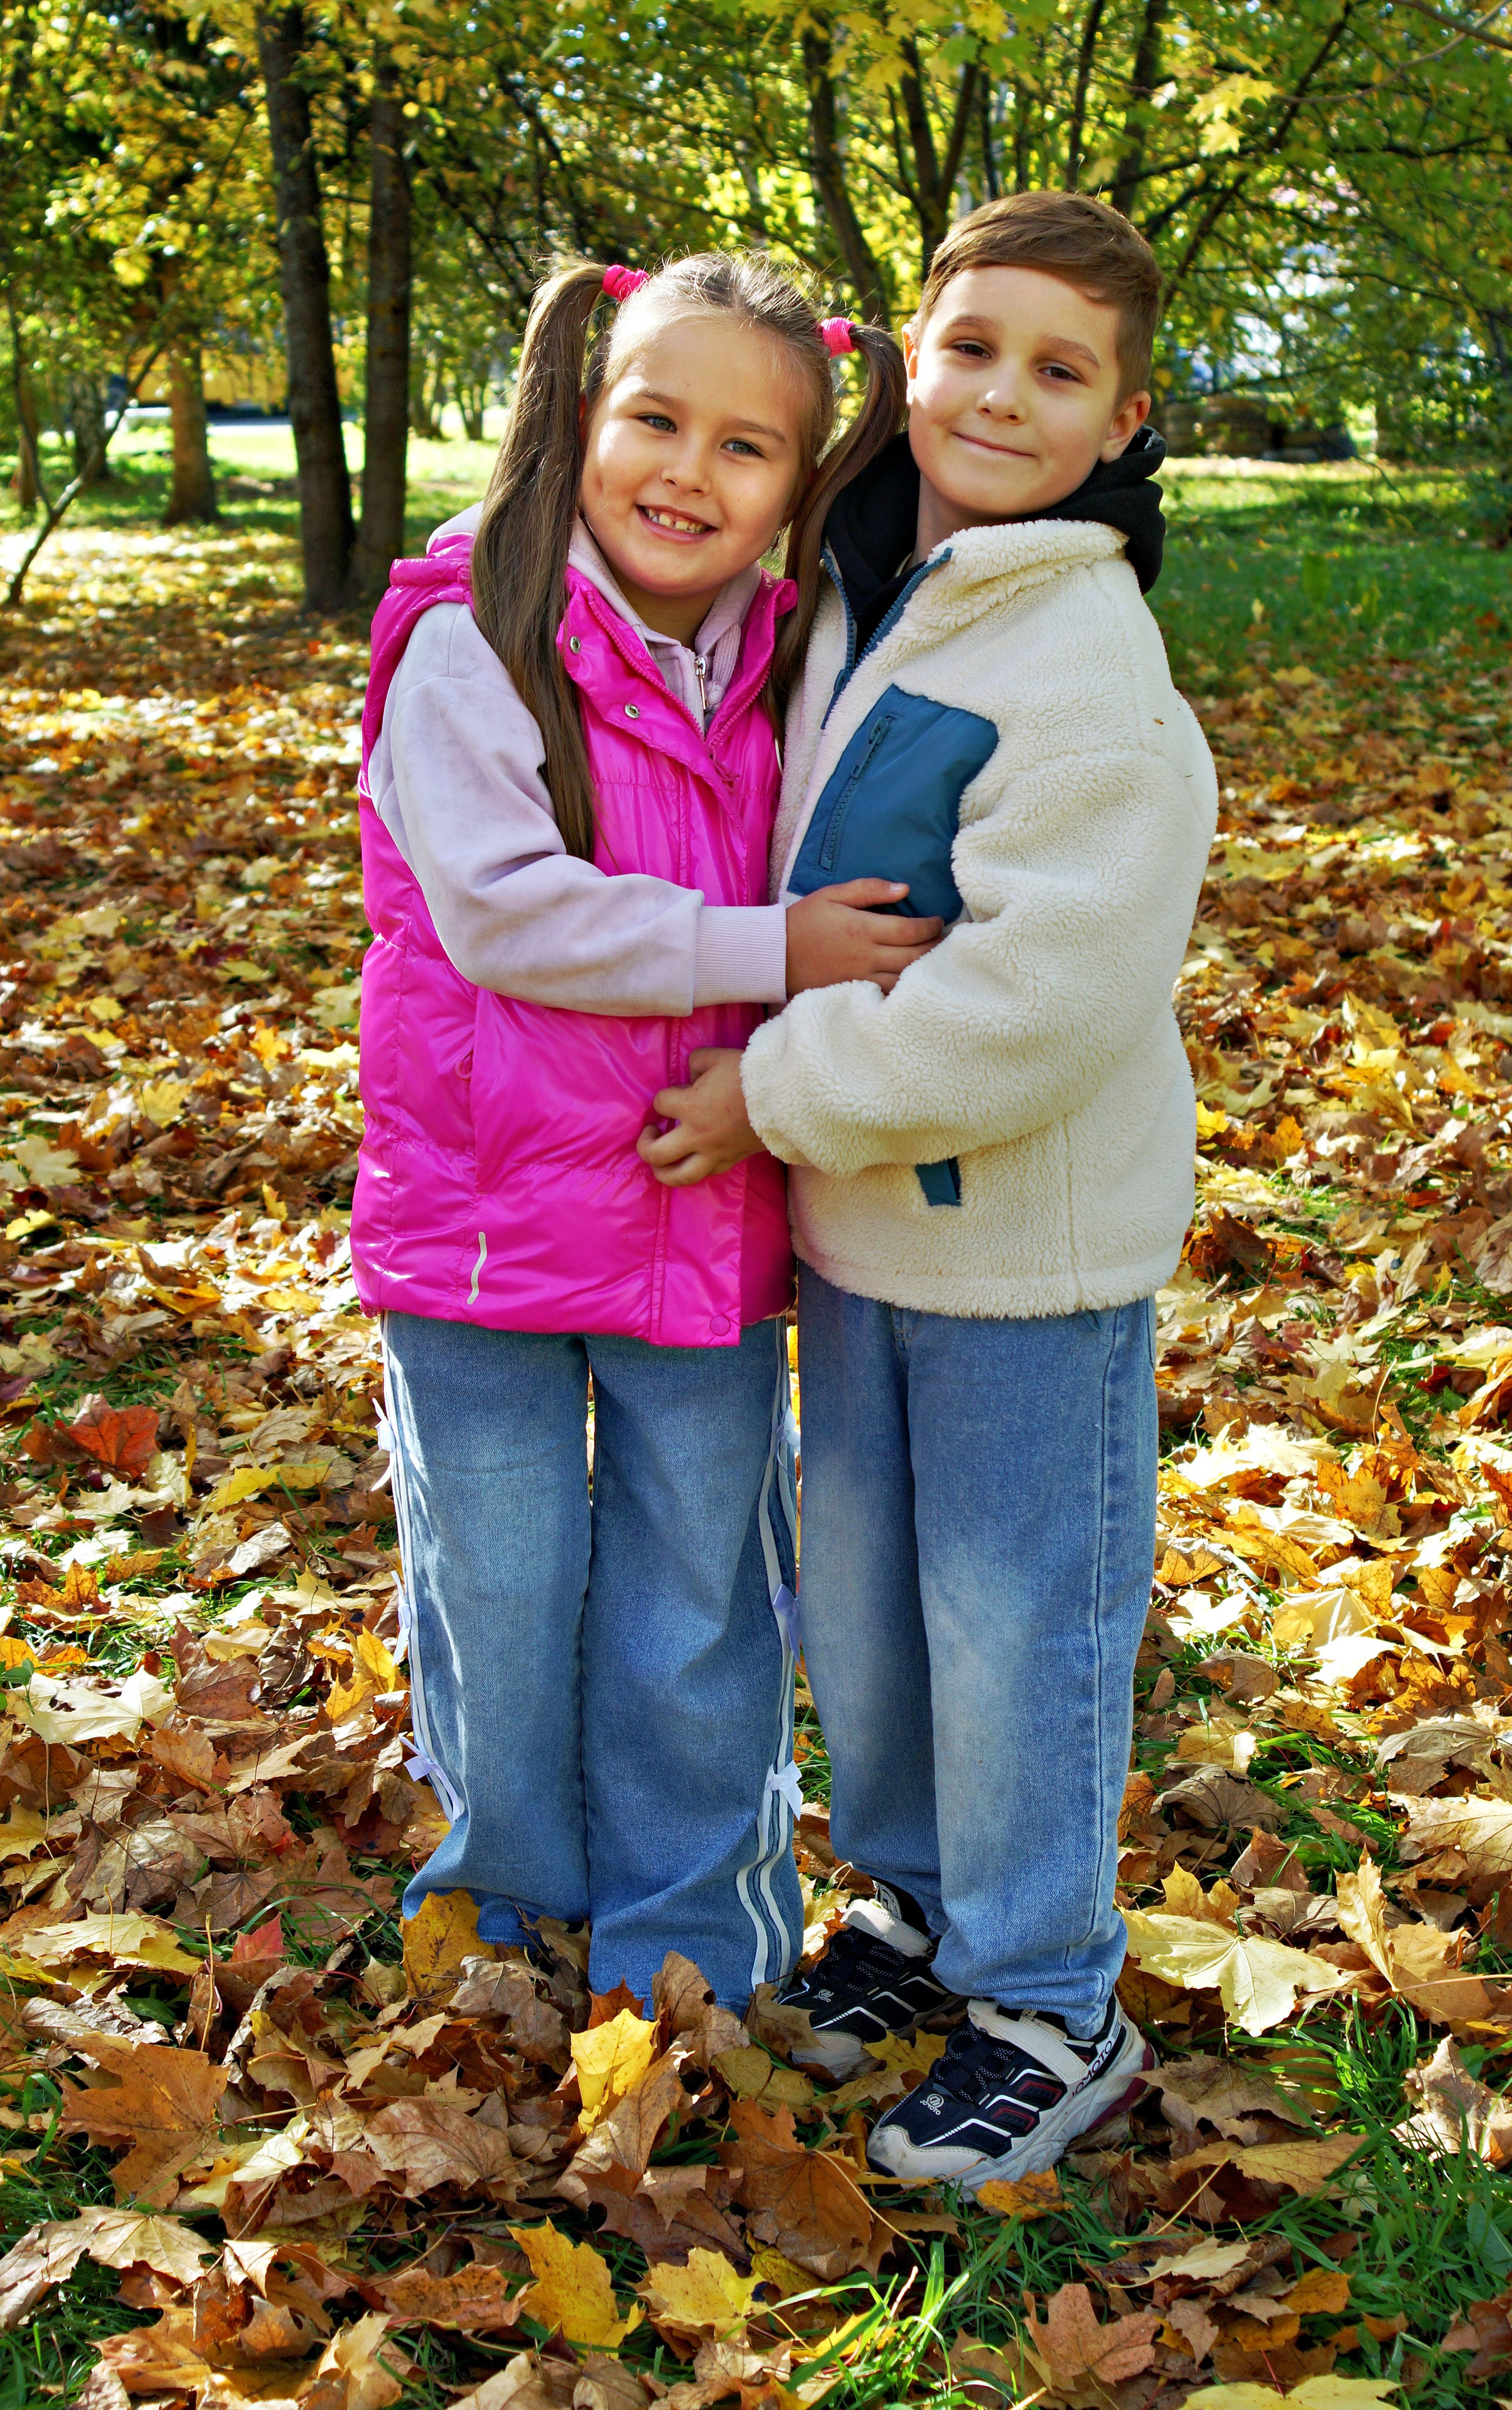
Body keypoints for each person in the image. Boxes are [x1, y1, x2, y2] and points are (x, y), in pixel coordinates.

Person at [640, 195, 1218, 2180]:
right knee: (873, 1613)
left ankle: (1055, 1997)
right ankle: (920, 1907)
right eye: (976, 348)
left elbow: (1037, 1003)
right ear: (910, 347)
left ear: (1125, 421)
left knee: (1011, 1618)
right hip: (867, 1226)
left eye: (1062, 373)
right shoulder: (865, 586)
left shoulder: (1089, 668)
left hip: (1025, 1250)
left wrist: (769, 1089)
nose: (1003, 395)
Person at [353, 251, 930, 2011]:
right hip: (484, 1227)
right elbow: (508, 913)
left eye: (750, 448)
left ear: (802, 485)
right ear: (580, 415)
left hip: (700, 1214)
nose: (691, 473)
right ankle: (509, 1912)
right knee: (502, 1588)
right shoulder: (476, 637)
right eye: (656, 419)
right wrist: (775, 953)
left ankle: (698, 1944)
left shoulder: (789, 664)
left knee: (698, 1599)